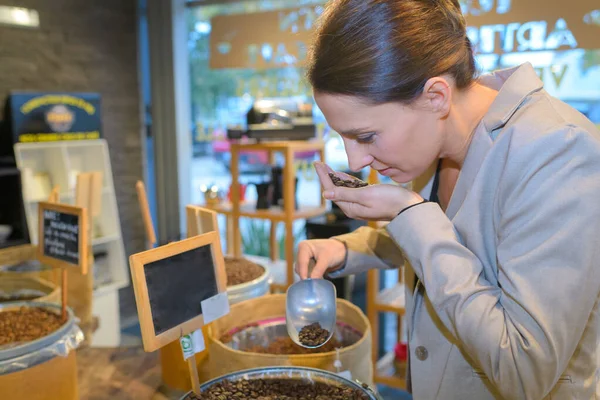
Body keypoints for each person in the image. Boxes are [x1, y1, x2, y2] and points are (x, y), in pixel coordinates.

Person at [294, 0, 600, 399]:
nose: (355, 160)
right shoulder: (436, 143)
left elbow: (524, 371)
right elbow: (454, 243)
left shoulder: (559, 153)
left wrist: (408, 212)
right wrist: (346, 248)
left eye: (366, 136)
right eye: (344, 137)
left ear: (436, 96)